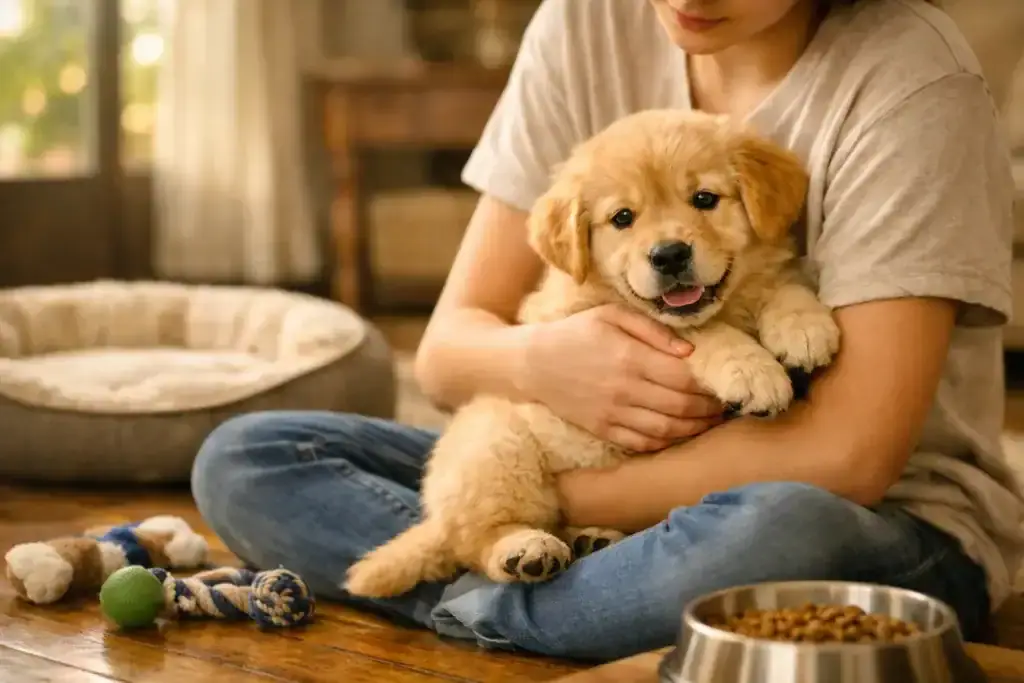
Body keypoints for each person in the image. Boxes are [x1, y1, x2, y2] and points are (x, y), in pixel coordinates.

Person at [191, 0, 1023, 661]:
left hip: (866, 519)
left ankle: (488, 590)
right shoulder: (586, 18)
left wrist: (551, 502)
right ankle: (553, 598)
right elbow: (448, 355)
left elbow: (851, 458)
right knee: (248, 455)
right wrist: (544, 362)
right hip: (554, 469)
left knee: (779, 531)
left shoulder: (911, 82)